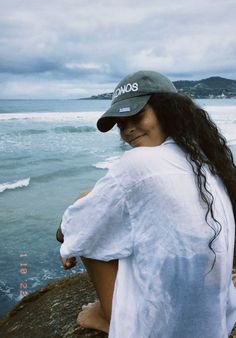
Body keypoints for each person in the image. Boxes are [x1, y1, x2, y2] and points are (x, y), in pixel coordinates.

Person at [57, 70, 236, 337]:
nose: (128, 130)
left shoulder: (137, 165)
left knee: (89, 204)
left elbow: (73, 229)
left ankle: (109, 316)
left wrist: (67, 234)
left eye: (137, 116)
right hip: (215, 322)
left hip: (161, 329)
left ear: (167, 111)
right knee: (103, 207)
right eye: (121, 124)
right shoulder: (205, 160)